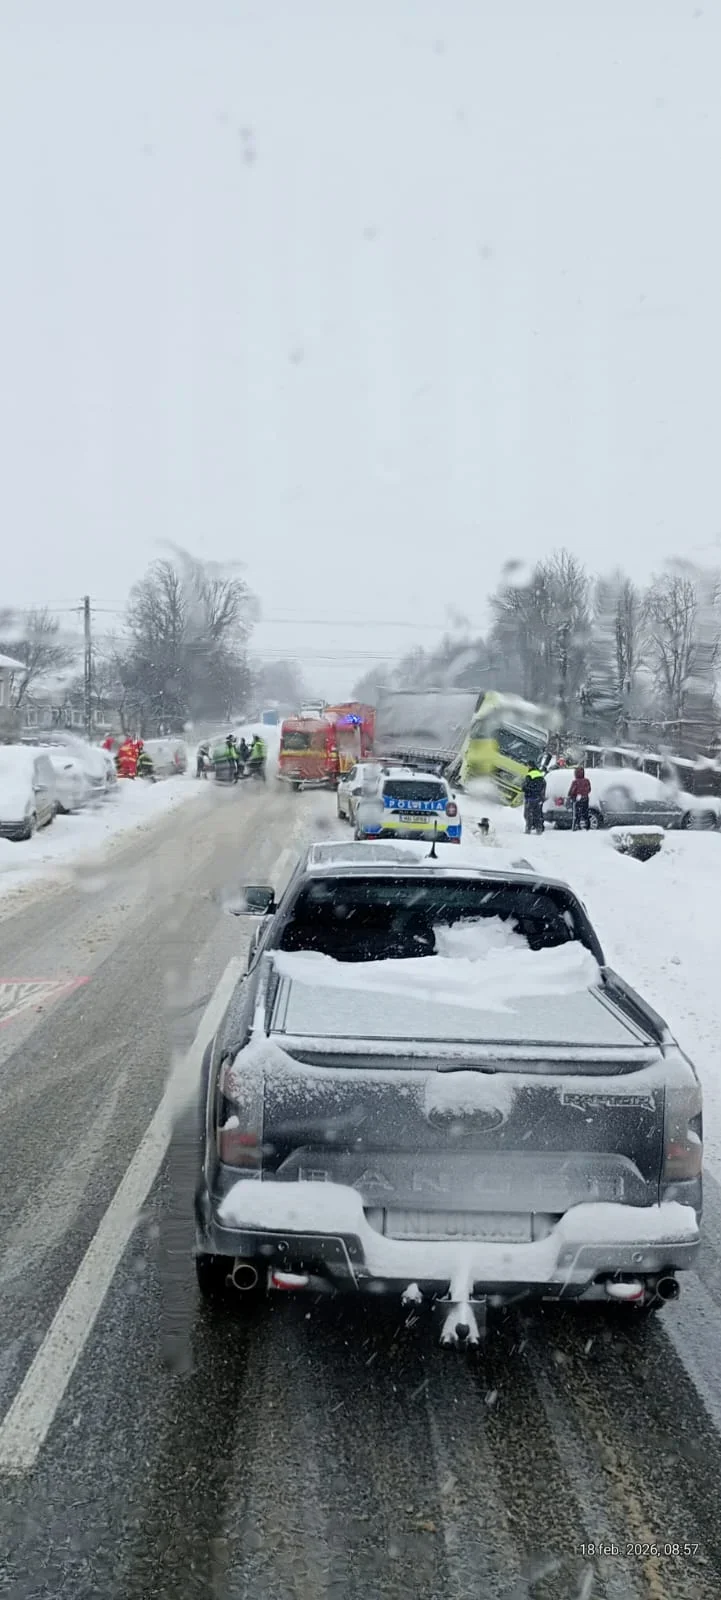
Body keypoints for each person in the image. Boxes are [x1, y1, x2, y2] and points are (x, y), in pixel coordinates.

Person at [522, 765, 547, 834]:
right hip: (538, 798)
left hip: (530, 798)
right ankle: (539, 829)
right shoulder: (541, 776)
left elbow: (524, 787)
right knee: (537, 814)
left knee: (528, 814)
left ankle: (528, 829)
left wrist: (528, 790)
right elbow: (543, 787)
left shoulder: (529, 775)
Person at [568, 764, 592, 830]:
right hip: (585, 799)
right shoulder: (587, 781)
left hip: (577, 799)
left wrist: (571, 796)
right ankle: (587, 826)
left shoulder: (575, 782)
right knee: (585, 813)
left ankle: (576, 826)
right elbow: (589, 789)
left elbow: (572, 791)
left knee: (576, 814)